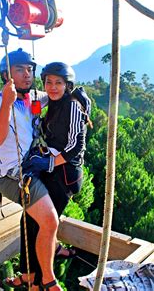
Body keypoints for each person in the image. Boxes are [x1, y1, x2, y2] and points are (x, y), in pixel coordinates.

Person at [0, 49, 62, 290]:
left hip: (31, 167)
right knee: (49, 220)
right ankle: (48, 279)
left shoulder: (34, 97)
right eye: (20, 70)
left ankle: (46, 252)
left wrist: (74, 94)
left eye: (30, 69)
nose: (27, 74)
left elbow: (56, 91)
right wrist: (7, 103)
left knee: (60, 194)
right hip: (12, 175)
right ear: (6, 75)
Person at [21, 62, 91, 288]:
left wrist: (47, 163)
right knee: (31, 220)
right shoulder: (54, 103)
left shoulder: (71, 106)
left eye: (58, 83)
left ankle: (41, 282)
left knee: (43, 226)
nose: (52, 87)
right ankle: (31, 274)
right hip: (54, 171)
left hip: (65, 175)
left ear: (67, 85)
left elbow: (74, 147)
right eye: (48, 82)